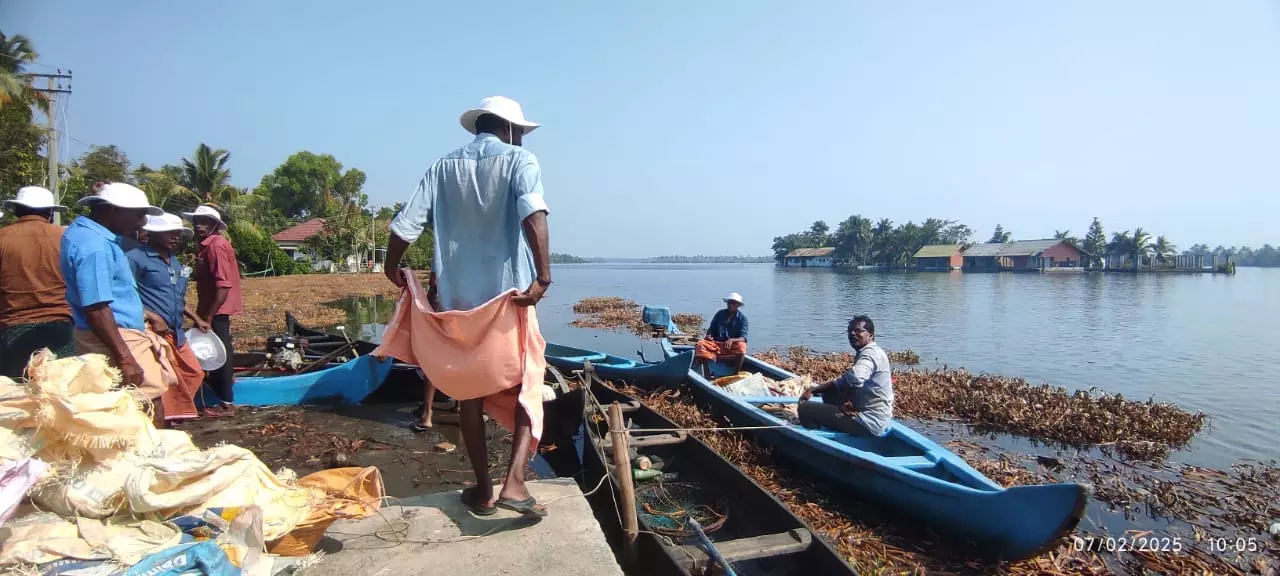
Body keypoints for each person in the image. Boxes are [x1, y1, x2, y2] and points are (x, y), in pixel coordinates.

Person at [383, 96, 550, 516]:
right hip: (509, 300)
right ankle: (513, 484)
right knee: (527, 383)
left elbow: (407, 223)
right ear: (510, 129)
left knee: (469, 395)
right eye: (522, 133)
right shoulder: (519, 161)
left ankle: (482, 489)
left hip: (458, 306)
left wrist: (392, 267)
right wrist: (543, 275)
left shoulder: (441, 168)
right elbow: (533, 213)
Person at [61, 183, 174, 427]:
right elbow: (96, 306)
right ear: (112, 210)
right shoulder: (95, 247)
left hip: (115, 330)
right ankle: (152, 458)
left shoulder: (85, 234)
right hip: (116, 336)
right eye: (137, 214)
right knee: (147, 400)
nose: (142, 222)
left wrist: (145, 313)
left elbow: (104, 293)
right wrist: (125, 357)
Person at [126, 213, 209, 425]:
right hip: (152, 333)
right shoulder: (135, 258)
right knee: (160, 377)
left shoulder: (174, 261)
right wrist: (151, 316)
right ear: (153, 234)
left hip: (176, 331)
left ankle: (174, 413)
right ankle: (161, 421)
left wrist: (196, 318)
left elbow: (176, 297)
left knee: (193, 372)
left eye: (177, 234)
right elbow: (125, 294)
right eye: (169, 233)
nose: (175, 237)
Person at [0, 186, 74, 378]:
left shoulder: (3, 238)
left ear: (16, 210)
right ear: (50, 212)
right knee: (59, 392)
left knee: (18, 397)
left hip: (14, 326)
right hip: (62, 325)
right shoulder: (65, 237)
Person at [183, 204, 242, 418]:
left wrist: (207, 316)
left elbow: (223, 285)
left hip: (216, 310)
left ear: (215, 225)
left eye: (205, 222)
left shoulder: (216, 246)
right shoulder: (207, 246)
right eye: (197, 221)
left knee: (220, 352)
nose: (199, 225)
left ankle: (226, 402)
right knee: (217, 350)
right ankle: (220, 389)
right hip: (210, 308)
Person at [797, 315, 894, 437]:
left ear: (870, 335)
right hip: (877, 419)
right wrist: (814, 389)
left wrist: (848, 400)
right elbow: (842, 382)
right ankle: (834, 423)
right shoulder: (871, 351)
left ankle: (817, 438)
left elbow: (857, 378)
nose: (853, 334)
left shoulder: (869, 355)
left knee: (804, 408)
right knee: (829, 394)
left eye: (858, 331)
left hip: (867, 423)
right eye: (850, 331)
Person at [694, 292, 749, 376]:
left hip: (730, 347)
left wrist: (732, 340)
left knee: (742, 347)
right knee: (700, 344)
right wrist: (709, 336)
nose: (730, 305)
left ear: (737, 305)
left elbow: (743, 338)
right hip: (717, 344)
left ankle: (735, 373)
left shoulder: (743, 319)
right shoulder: (720, 314)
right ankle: (706, 373)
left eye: (733, 303)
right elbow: (711, 329)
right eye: (729, 302)